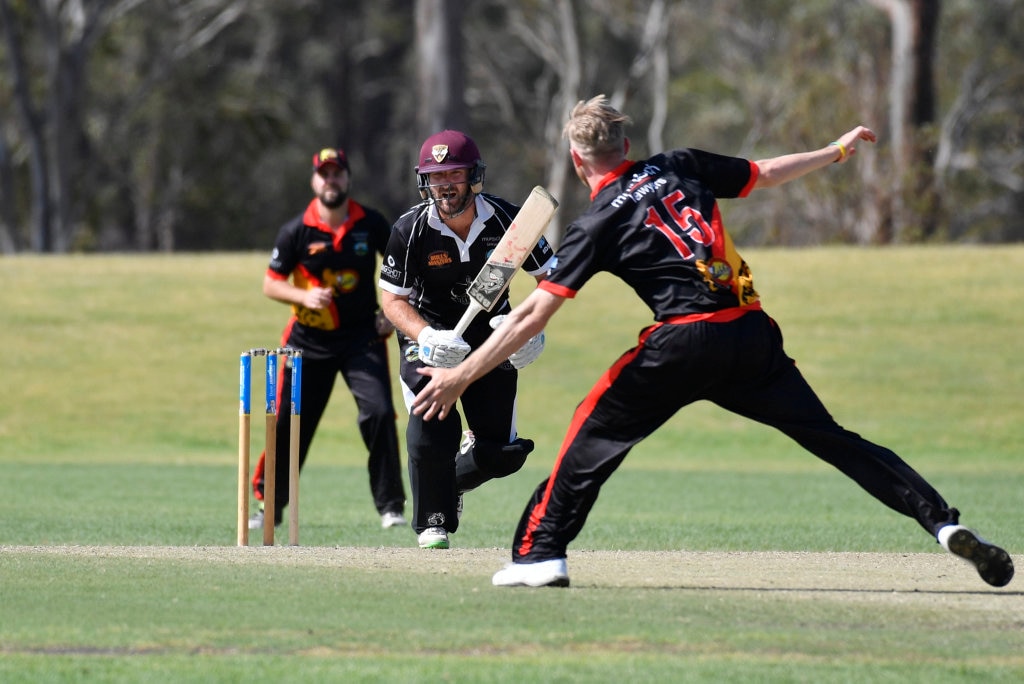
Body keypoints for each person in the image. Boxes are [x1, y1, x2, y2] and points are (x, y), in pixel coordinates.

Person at [410, 96, 1014, 588]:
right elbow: (767, 172)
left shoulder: (595, 224)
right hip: (750, 335)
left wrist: (461, 376)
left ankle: (540, 554)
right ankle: (939, 522)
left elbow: (530, 317)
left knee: (590, 432)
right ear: (626, 147)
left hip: (681, 341)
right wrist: (835, 150)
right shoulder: (680, 164)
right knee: (835, 440)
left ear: (576, 161)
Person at [379, 129, 555, 550]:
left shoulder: (511, 221)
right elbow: (392, 301)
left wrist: (531, 328)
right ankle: (432, 522)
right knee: (430, 426)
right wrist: (426, 335)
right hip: (429, 336)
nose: (444, 186)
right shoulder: (409, 230)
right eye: (435, 177)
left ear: (474, 176)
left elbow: (552, 278)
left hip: (493, 337)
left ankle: (450, 482)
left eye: (453, 175)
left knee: (502, 454)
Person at [249, 146, 407, 532]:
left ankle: (391, 507)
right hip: (307, 341)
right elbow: (271, 284)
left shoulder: (370, 223)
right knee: (288, 422)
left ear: (348, 179)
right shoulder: (296, 230)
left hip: (361, 339)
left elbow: (402, 269)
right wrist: (303, 296)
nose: (330, 180)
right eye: (324, 173)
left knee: (380, 413)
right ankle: (269, 505)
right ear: (314, 180)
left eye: (337, 173)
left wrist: (390, 314)